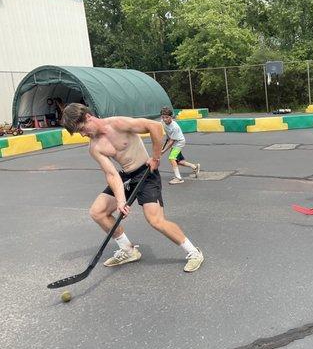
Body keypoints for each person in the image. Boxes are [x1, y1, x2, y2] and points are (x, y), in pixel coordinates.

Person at [60, 103, 205, 272]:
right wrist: (121, 201)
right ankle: (128, 250)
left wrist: (156, 158)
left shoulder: (117, 124)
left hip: (146, 172)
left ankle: (194, 252)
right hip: (126, 176)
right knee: (97, 211)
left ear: (88, 117)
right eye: (79, 133)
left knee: (155, 220)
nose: (83, 134)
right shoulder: (94, 147)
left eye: (82, 129)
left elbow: (155, 127)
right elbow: (112, 175)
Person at [159, 107, 200, 184]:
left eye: (167, 117)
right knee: (178, 161)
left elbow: (171, 141)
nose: (164, 119)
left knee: (171, 158)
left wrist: (163, 151)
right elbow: (168, 136)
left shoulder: (174, 127)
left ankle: (178, 178)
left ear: (171, 117)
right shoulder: (163, 122)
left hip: (179, 142)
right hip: (173, 141)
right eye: (163, 117)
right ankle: (195, 167)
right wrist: (163, 144)